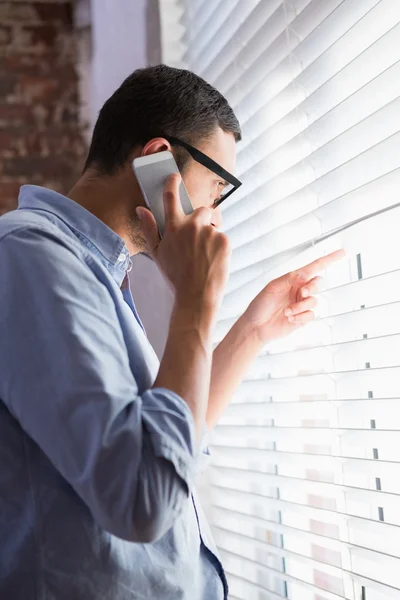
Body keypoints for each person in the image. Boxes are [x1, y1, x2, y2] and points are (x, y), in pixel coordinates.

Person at [0, 65, 343, 600]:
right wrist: (195, 300)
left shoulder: (96, 275)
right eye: (216, 188)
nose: (214, 214)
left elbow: (166, 446)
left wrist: (251, 332)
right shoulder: (32, 257)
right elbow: (142, 500)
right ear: (156, 157)